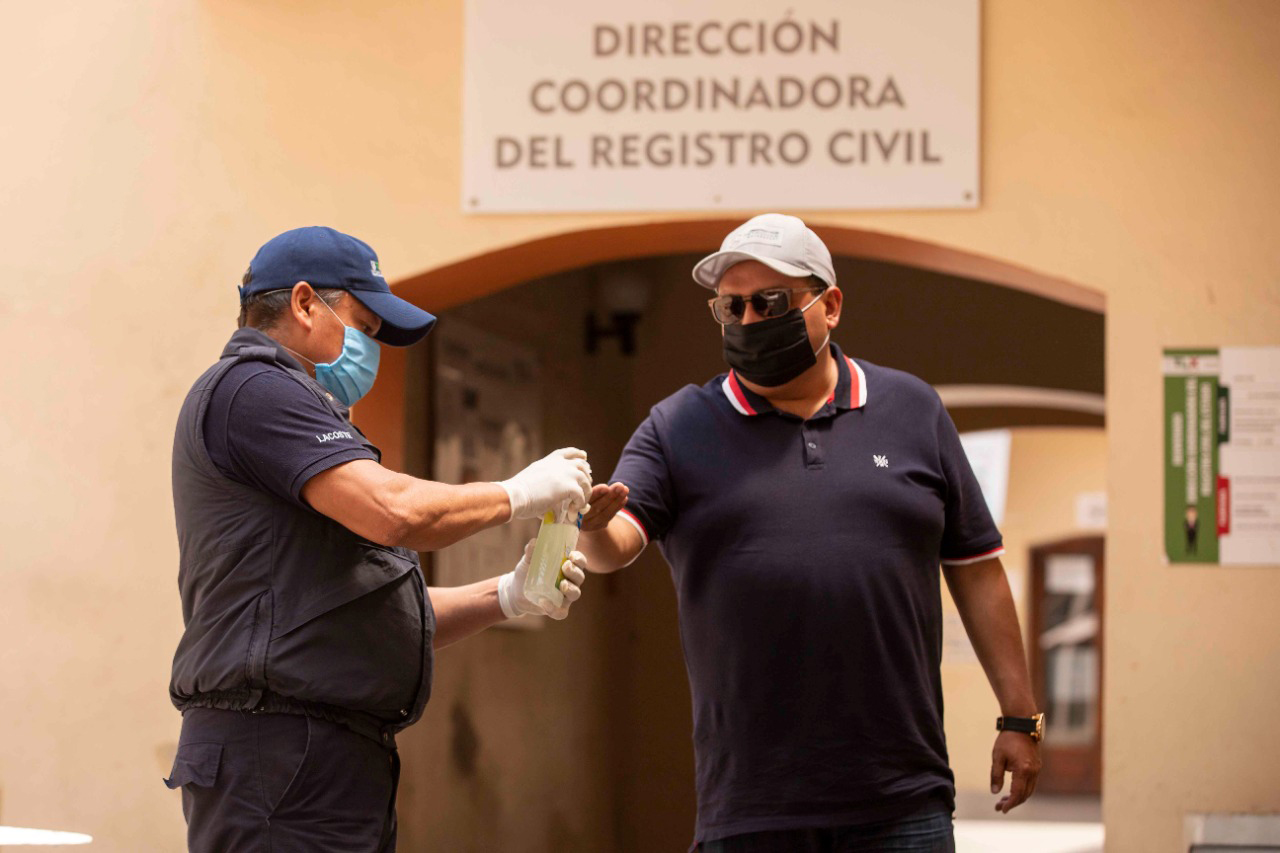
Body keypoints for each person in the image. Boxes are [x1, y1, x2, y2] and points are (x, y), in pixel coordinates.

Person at [579, 214, 1044, 852]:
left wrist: (1020, 716)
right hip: (750, 806)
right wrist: (589, 528)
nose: (746, 322)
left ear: (830, 306)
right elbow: (616, 544)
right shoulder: (679, 426)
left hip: (902, 801)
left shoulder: (913, 410)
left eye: (768, 302)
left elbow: (977, 567)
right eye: (730, 307)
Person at [165, 226, 594, 852]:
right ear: (306, 304)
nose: (373, 349)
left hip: (314, 758)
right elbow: (395, 511)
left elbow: (365, 609)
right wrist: (520, 491)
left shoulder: (299, 413)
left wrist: (508, 594)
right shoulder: (256, 389)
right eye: (364, 325)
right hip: (277, 755)